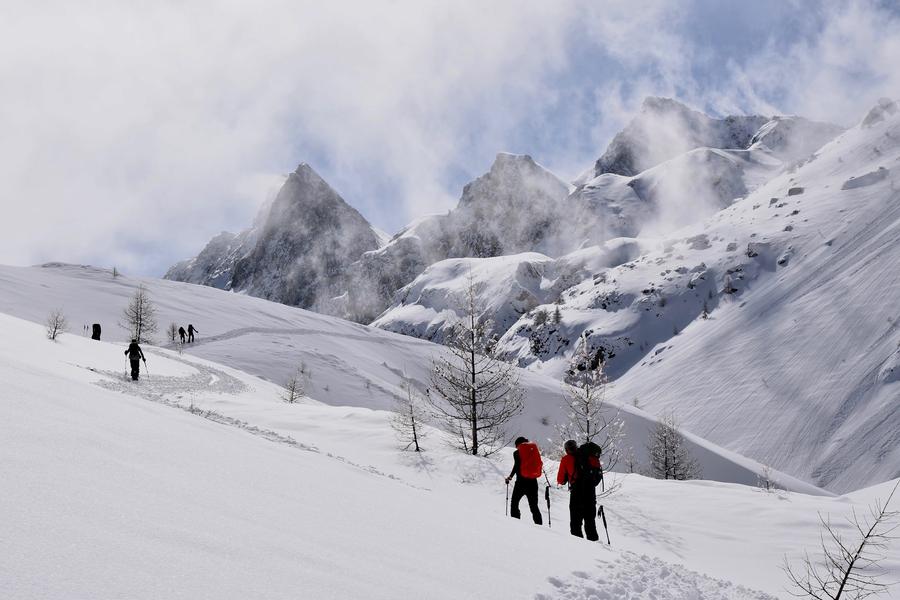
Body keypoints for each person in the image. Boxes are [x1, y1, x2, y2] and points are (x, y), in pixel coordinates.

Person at [557, 439, 601, 541]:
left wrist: (567, 477)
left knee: (575, 525)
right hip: (590, 493)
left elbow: (560, 480)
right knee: (590, 523)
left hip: (576, 494)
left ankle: (578, 548)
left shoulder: (566, 459)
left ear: (566, 450)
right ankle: (596, 547)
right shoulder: (588, 456)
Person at [505, 436, 543, 525]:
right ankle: (540, 527)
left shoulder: (516, 453)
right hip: (533, 483)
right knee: (534, 507)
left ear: (518, 445)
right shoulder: (533, 451)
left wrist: (510, 477)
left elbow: (516, 466)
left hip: (520, 483)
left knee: (514, 504)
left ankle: (516, 524)